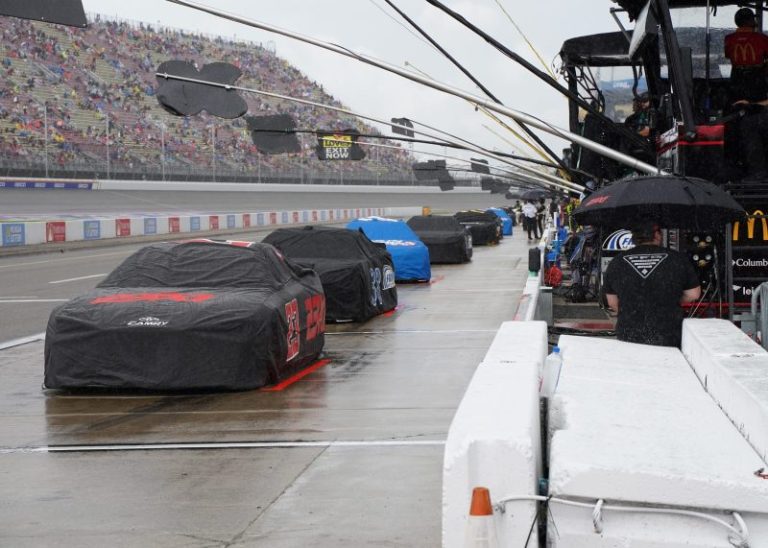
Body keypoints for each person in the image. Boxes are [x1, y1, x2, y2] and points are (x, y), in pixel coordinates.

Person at [603, 221, 701, 348]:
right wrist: (668, 301)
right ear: (657, 235)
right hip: (668, 333)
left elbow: (611, 302)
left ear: (633, 237)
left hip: (629, 333)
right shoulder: (677, 259)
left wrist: (636, 309)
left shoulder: (617, 262)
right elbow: (694, 294)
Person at [725, 8, 768, 181]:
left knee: (737, 117)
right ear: (751, 21)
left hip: (737, 81)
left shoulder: (729, 39)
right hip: (756, 82)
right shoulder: (762, 39)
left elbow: (729, 55)